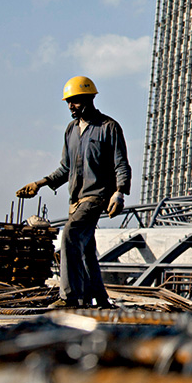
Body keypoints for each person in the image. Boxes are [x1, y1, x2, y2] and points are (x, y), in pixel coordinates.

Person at [17, 76, 131, 308]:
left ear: (89, 98)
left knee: (70, 235)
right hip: (75, 201)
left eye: (76, 101)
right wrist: (40, 184)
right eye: (68, 102)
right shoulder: (71, 130)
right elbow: (66, 168)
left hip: (96, 197)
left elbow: (121, 164)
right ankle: (99, 298)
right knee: (86, 249)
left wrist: (119, 192)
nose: (71, 106)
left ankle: (68, 298)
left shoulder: (109, 127)